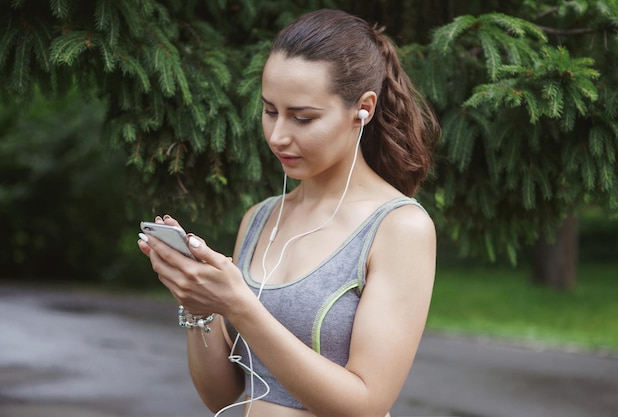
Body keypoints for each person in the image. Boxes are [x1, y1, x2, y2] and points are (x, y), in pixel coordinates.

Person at [138, 8, 440, 417]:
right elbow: (226, 399)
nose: (278, 136)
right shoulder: (261, 218)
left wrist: (240, 306)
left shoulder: (399, 227)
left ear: (362, 109)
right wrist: (200, 307)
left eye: (302, 117)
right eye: (269, 111)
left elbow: (366, 404)